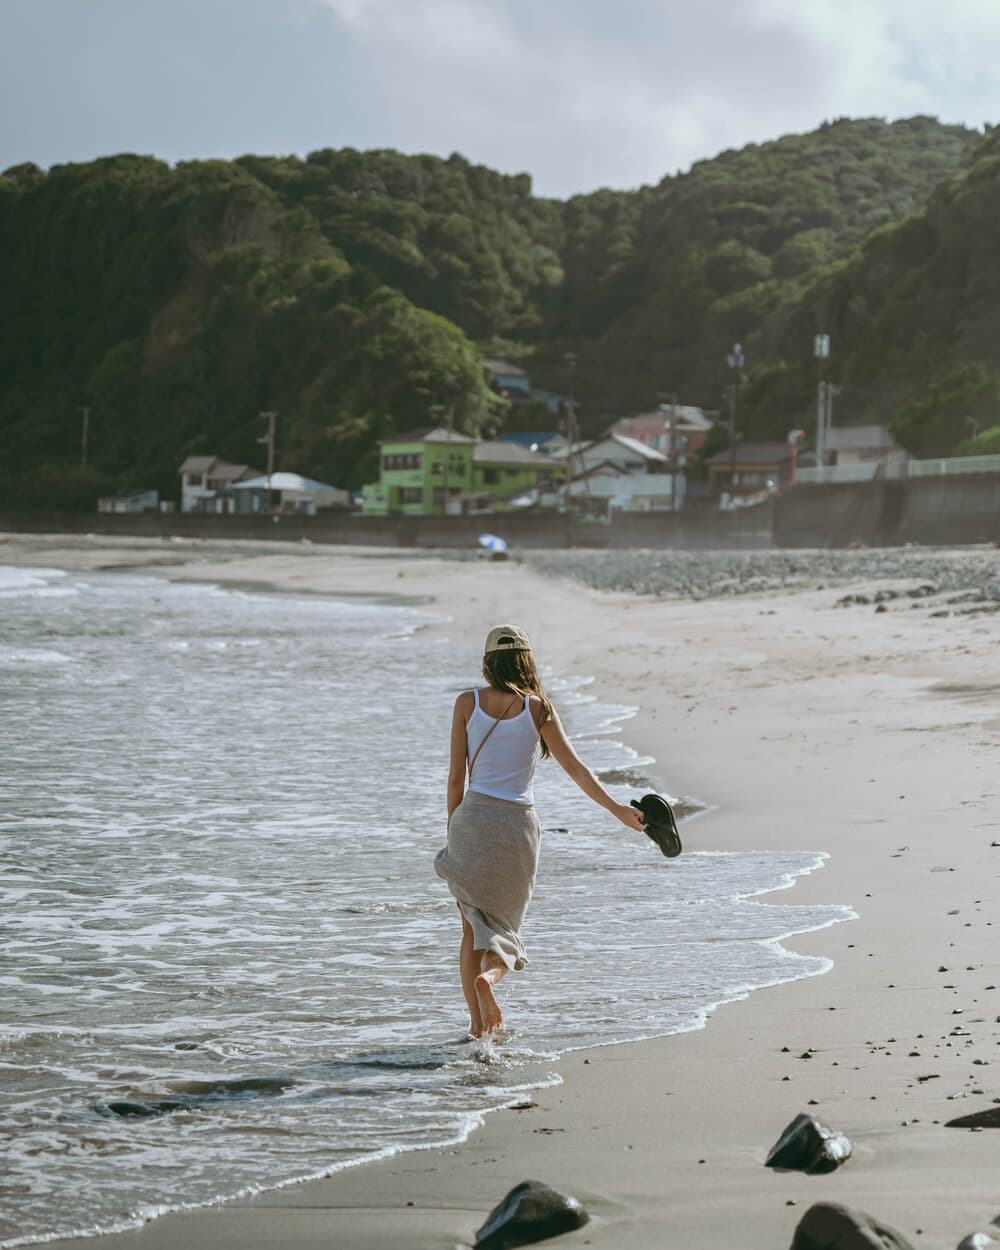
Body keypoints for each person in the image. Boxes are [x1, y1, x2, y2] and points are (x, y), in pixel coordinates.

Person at [434, 624, 646, 1037]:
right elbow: (576, 769)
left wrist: (453, 834)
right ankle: (490, 981)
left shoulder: (466, 703)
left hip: (471, 823)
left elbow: (455, 780)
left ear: (487, 663)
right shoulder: (538, 709)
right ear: (527, 661)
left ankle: (478, 1027)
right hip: (517, 829)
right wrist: (619, 810)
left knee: (470, 929)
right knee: (504, 930)